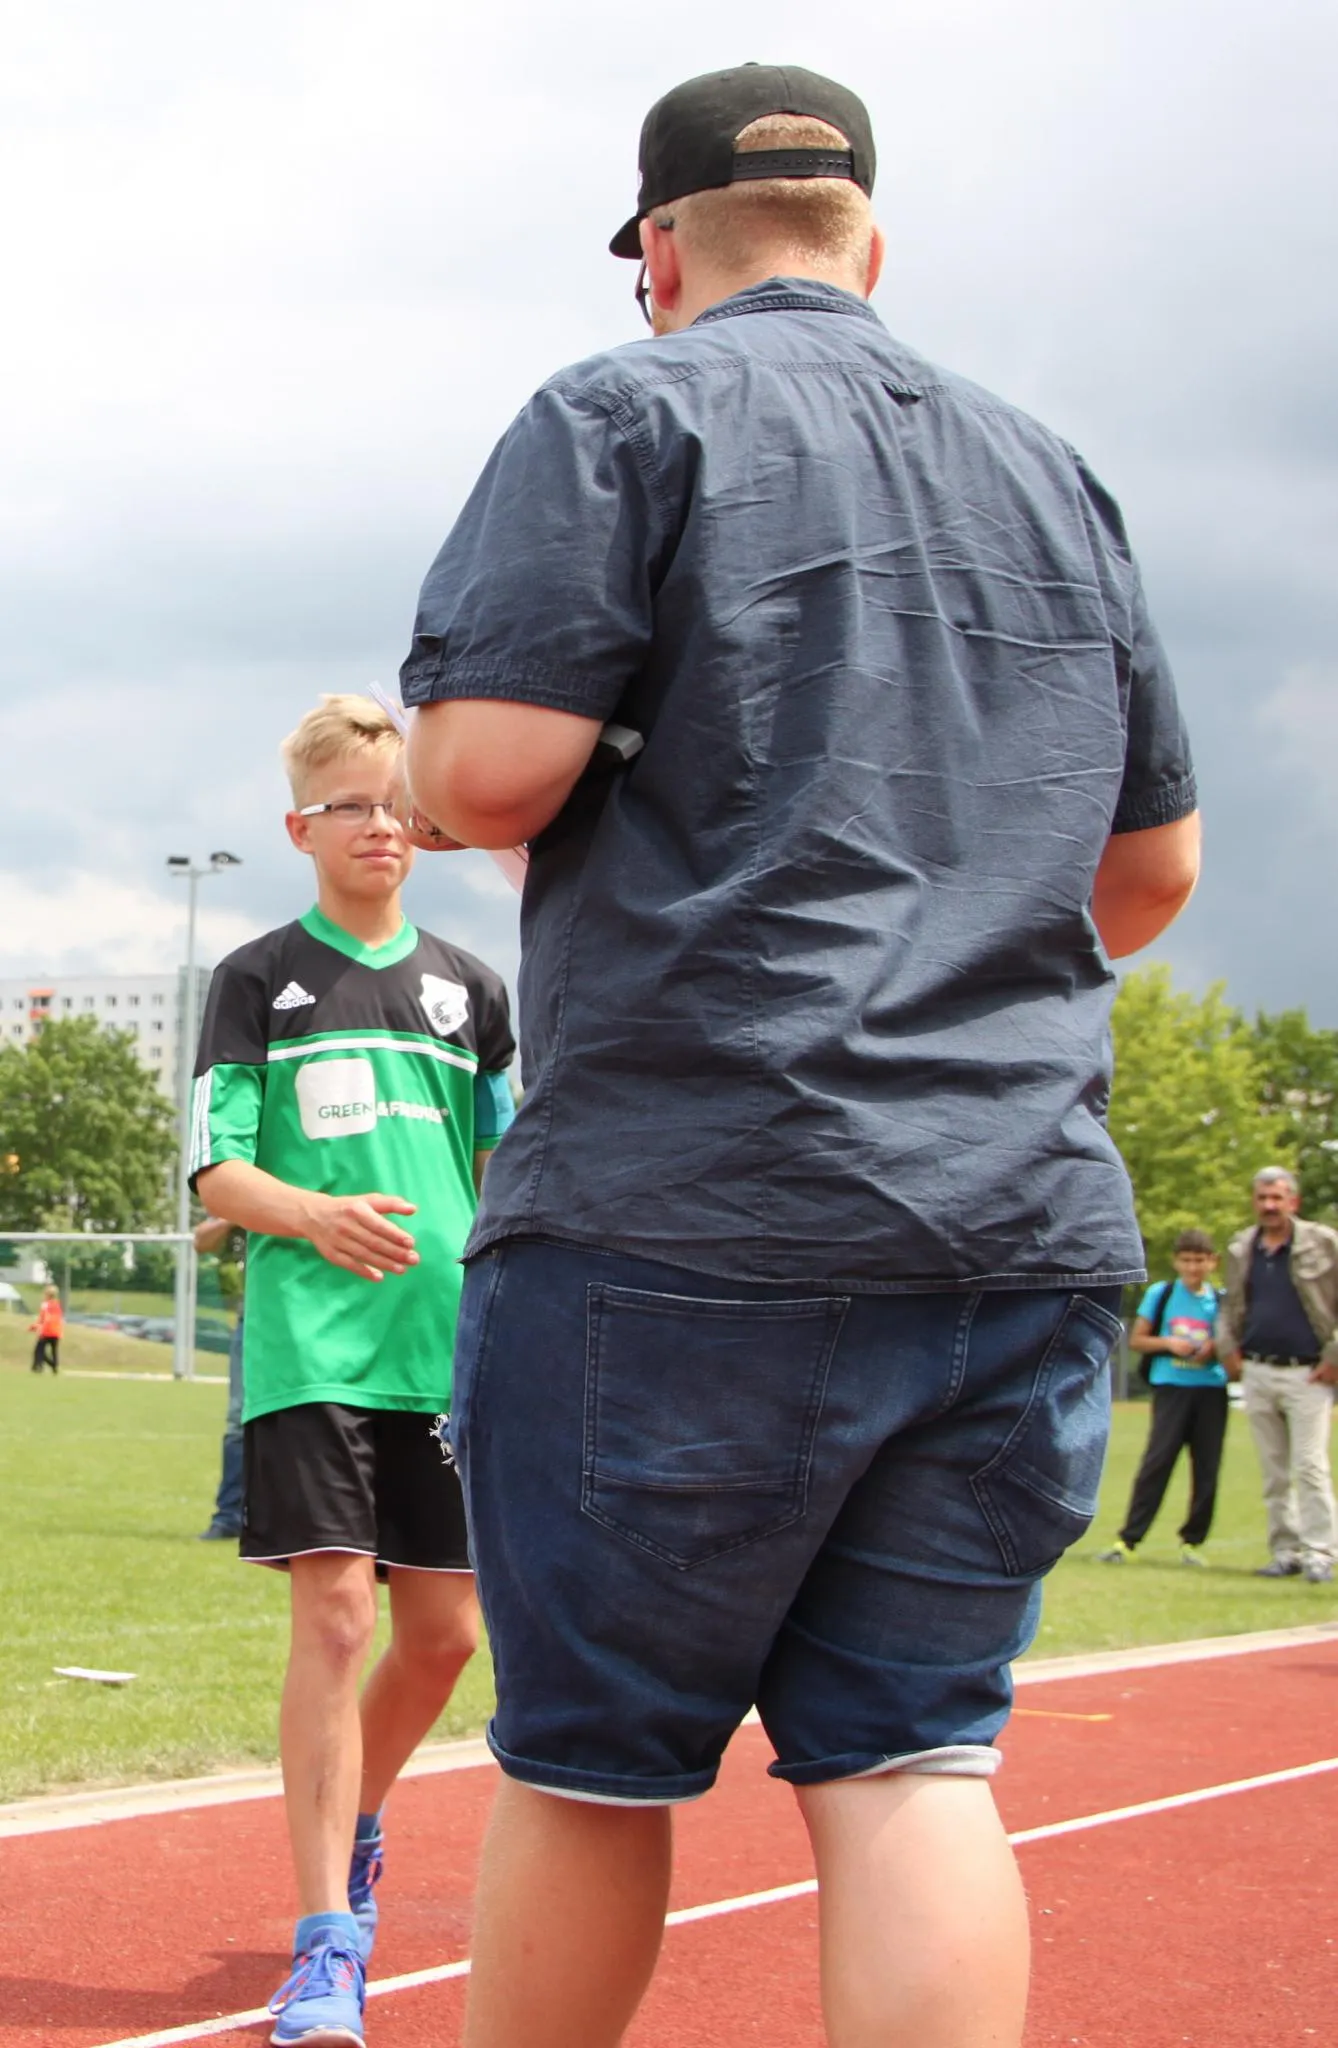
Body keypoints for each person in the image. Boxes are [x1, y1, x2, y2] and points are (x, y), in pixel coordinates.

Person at [398, 62, 1201, 2048]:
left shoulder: (620, 410)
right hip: (1009, 1210)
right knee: (915, 1759)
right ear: (870, 245)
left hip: (688, 1200)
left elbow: (491, 767)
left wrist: (439, 776)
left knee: (590, 1762)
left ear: (660, 254)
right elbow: (1150, 871)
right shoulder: (1048, 467)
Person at [189, 695, 515, 2048]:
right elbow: (216, 1170)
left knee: (444, 1638)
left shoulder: (472, 990)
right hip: (311, 1350)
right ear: (300, 828)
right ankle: (326, 1945)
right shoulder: (257, 979)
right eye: (351, 807)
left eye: (396, 805)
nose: (380, 826)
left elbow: (507, 1172)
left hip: (446, 1355)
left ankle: (355, 1820)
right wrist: (312, 1213)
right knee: (333, 1619)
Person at [1216, 1168, 1338, 1584]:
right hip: (1257, 1369)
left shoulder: (1323, 1243)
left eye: (1277, 1197)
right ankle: (1286, 1552)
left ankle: (1320, 1553)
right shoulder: (1242, 1247)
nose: (1269, 1205)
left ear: (1293, 1201)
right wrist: (1227, 1348)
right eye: (1262, 1197)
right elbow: (1231, 1303)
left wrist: (1334, 1355)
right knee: (1274, 1471)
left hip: (1309, 1373)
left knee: (1310, 1466)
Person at [1098, 1231, 1225, 1565]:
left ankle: (1192, 1542)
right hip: (1172, 1387)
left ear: (1212, 1262)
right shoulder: (1162, 1294)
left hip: (1211, 1388)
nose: (1193, 1267)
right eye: (1186, 1260)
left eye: (1200, 1260)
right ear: (1176, 1261)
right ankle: (1129, 1538)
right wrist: (1169, 1343)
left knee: (1207, 1468)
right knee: (1158, 1461)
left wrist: (1214, 1347)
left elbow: (1231, 1342)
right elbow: (1138, 1340)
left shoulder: (1221, 1300)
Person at [196, 1215, 247, 1541]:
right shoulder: (242, 1205)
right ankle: (230, 1516)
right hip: (252, 1321)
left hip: (305, 1317)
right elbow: (202, 1240)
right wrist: (233, 1216)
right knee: (238, 1418)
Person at [29, 1284, 62, 1373]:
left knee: (39, 1350)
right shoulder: (57, 1304)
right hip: (56, 1331)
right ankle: (55, 1366)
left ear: (47, 1294)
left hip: (47, 1330)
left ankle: (39, 1366)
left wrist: (35, 1326)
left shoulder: (45, 1304)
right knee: (54, 1350)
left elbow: (43, 1318)